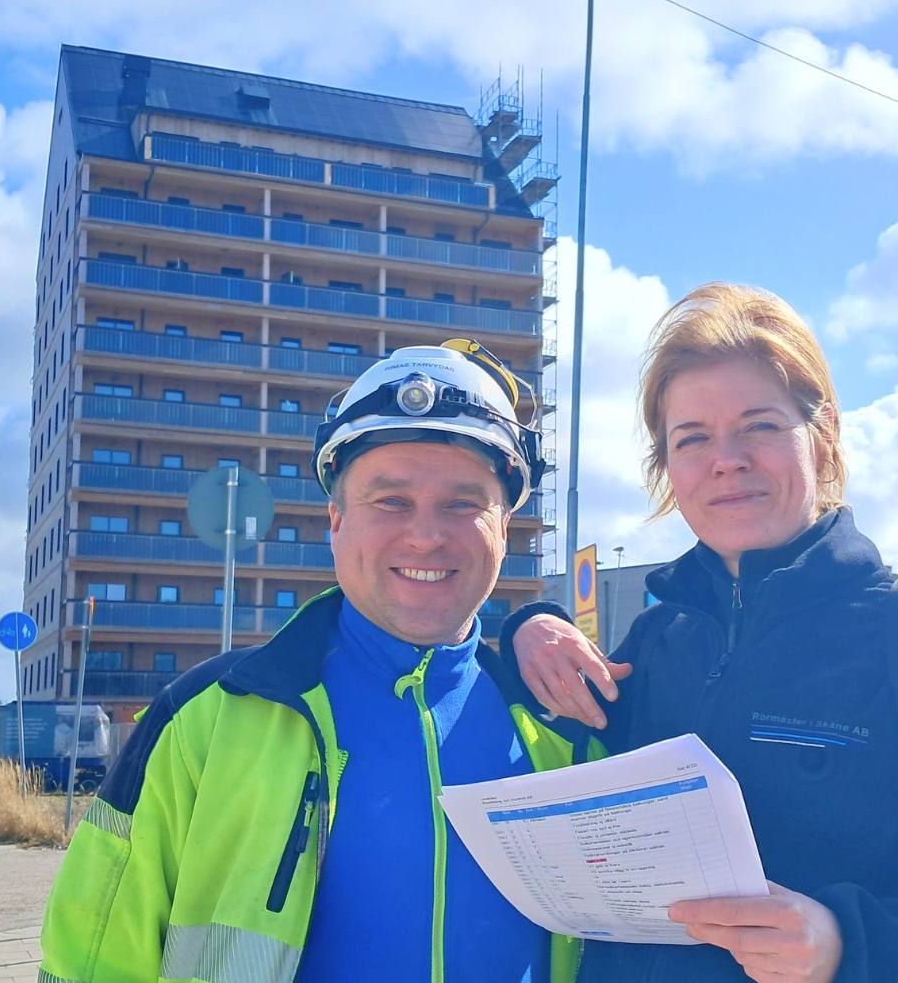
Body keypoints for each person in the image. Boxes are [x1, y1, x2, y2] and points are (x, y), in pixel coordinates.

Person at [505, 284, 898, 983]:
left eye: (760, 426)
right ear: (667, 467)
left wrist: (845, 944)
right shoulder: (657, 642)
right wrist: (531, 626)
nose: (726, 459)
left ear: (822, 435)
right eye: (692, 438)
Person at [39, 340, 596, 983]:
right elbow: (94, 954)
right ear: (336, 520)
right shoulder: (204, 720)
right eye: (391, 501)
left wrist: (535, 621)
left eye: (463, 504)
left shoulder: (564, 725)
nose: (426, 536)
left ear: (504, 528)